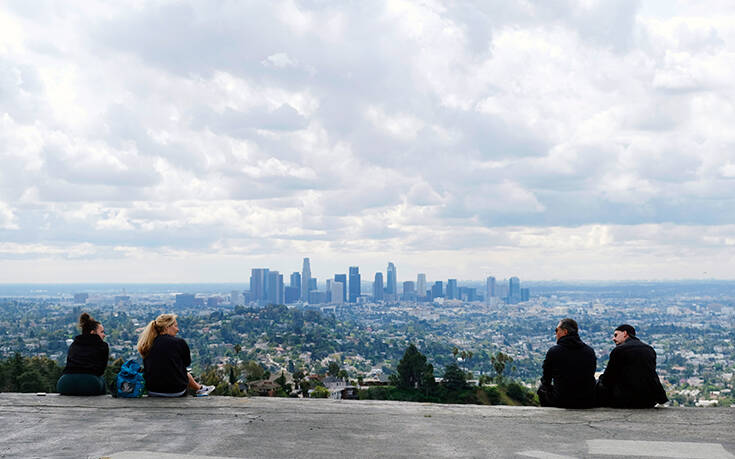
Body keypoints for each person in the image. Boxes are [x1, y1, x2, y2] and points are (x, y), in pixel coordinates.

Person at [137, 313, 214, 397]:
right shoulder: (179, 342)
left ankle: (200, 388)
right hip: (176, 391)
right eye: (175, 326)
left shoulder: (147, 344)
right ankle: (200, 388)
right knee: (182, 370)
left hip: (152, 391)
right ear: (167, 327)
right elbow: (186, 363)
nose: (178, 329)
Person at [596, 324, 668, 408]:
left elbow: (608, 378)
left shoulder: (619, 350)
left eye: (616, 335)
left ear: (625, 333)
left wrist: (599, 381)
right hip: (647, 400)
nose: (614, 339)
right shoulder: (649, 349)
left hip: (624, 400)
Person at [537, 318, 596, 408]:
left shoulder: (554, 351)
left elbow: (546, 379)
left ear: (565, 332)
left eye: (557, 330)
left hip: (561, 401)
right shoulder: (589, 351)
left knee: (542, 389)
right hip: (586, 401)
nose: (555, 333)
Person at [57, 312, 109, 395]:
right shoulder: (102, 346)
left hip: (65, 383)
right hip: (90, 382)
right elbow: (101, 370)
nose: (104, 335)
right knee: (102, 381)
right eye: (102, 332)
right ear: (93, 333)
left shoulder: (74, 344)